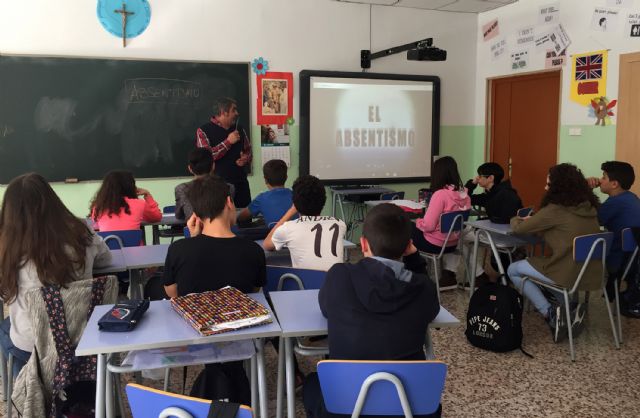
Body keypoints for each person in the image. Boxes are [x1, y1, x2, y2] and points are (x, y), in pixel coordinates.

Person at [303, 203, 441, 418]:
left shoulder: (340, 275)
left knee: (311, 383)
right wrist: (415, 259)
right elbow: (432, 308)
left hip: (343, 407)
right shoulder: (422, 289)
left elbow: (326, 309)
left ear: (363, 243)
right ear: (407, 247)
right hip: (408, 408)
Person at [163, 175, 266, 404]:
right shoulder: (253, 251)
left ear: (196, 214)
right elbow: (254, 290)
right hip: (240, 336)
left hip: (193, 338)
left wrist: (193, 239)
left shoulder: (179, 250)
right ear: (230, 203)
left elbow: (173, 294)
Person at [0, 173, 112, 375]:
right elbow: (106, 259)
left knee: (7, 329)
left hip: (32, 344)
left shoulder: (7, 249)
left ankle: (24, 396)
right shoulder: (80, 231)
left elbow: (4, 293)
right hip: (82, 338)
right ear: (53, 201)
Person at [507, 163, 601, 342]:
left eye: (548, 185)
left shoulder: (555, 210)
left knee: (513, 270)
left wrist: (516, 218)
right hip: (588, 272)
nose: (545, 188)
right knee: (545, 265)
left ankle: (549, 313)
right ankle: (569, 308)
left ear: (559, 188)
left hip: (566, 271)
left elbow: (520, 229)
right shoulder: (589, 206)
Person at [413, 156, 487, 290]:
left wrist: (418, 222)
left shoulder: (440, 195)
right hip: (453, 242)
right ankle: (449, 276)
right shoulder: (464, 194)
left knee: (408, 229)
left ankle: (417, 280)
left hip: (435, 244)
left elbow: (428, 226)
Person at [586, 161, 640, 313]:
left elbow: (592, 219)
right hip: (632, 262)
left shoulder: (615, 203)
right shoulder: (630, 198)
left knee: (579, 249)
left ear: (614, 183)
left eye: (604, 177)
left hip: (619, 261)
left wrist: (587, 190)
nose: (600, 180)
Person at [263, 175, 346, 271]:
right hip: (335, 284)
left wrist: (290, 211)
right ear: (324, 201)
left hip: (305, 285)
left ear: (295, 203)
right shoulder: (340, 224)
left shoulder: (288, 228)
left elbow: (266, 244)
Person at [196, 97, 252, 208]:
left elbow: (248, 150)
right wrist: (228, 142)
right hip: (217, 187)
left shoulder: (239, 129)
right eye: (234, 110)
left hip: (241, 184)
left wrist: (246, 158)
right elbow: (206, 157)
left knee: (245, 221)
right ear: (223, 112)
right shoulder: (203, 131)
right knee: (221, 221)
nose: (237, 113)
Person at [90, 170, 162, 231]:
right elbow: (156, 217)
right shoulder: (139, 204)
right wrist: (147, 195)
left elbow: (97, 225)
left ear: (106, 188)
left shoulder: (98, 206)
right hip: (134, 246)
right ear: (130, 186)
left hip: (108, 247)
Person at [237, 159, 294, 227]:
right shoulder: (297, 196)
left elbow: (241, 217)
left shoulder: (261, 199)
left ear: (265, 180)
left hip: (272, 236)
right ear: (286, 177)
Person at [175, 148, 215, 221]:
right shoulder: (228, 187)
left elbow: (179, 215)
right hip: (220, 231)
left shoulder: (182, 189)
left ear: (190, 168)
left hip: (194, 229)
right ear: (213, 166)